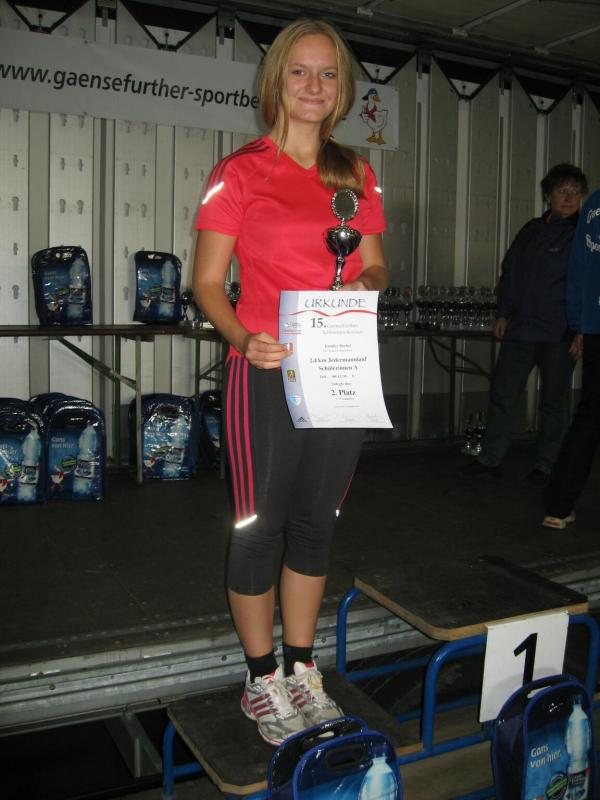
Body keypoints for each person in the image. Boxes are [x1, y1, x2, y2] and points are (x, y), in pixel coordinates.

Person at [193, 19, 387, 745]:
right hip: (265, 370)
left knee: (316, 521)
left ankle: (303, 668)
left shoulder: (354, 173)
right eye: (300, 71)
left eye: (328, 74)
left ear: (342, 89)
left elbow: (376, 265)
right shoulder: (239, 171)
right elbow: (206, 283)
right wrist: (245, 338)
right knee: (258, 526)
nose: (314, 85)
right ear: (276, 81)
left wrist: (365, 284)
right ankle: (261, 679)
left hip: (338, 367)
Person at [464, 164, 588, 485]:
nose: (568, 197)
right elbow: (511, 272)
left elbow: (590, 285)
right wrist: (503, 313)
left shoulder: (585, 236)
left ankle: (549, 465)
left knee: (554, 402)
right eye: (562, 191)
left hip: (561, 332)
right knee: (503, 394)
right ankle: (490, 458)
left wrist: (582, 330)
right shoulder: (531, 230)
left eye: (575, 192)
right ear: (548, 196)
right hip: (520, 329)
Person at [542, 187, 600, 528]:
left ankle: (559, 506)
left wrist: (580, 323)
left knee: (589, 415)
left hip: (595, 325)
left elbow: (578, 269)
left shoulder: (593, 205)